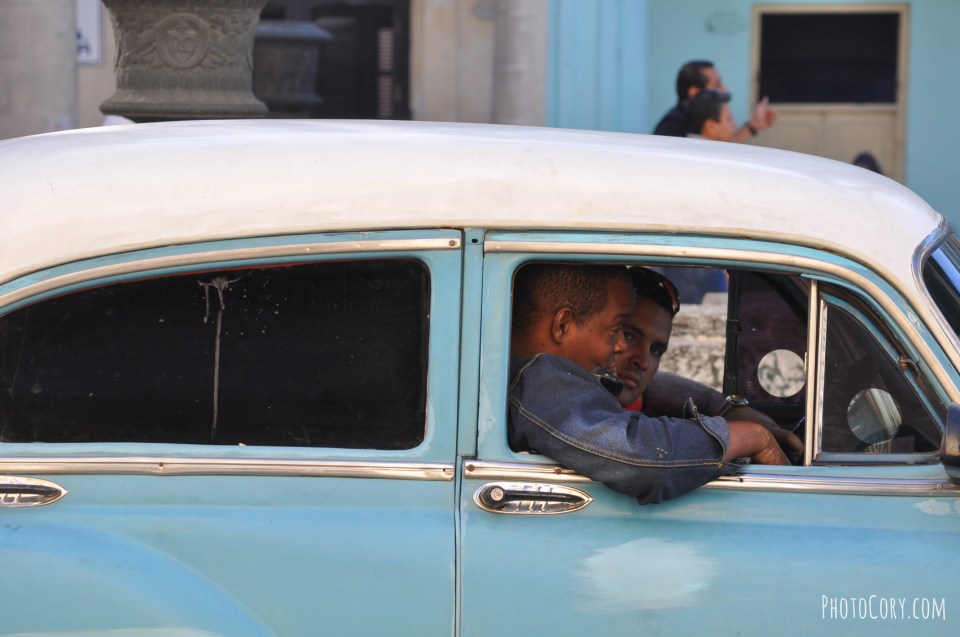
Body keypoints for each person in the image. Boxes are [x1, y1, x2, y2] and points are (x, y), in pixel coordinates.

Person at [508, 263, 789, 505]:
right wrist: (753, 437)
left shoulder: (526, 376)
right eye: (620, 331)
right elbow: (640, 456)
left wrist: (718, 405)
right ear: (563, 325)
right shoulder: (539, 379)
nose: (620, 348)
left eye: (656, 350)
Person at [616, 267, 804, 458]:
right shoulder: (589, 412)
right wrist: (754, 438)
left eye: (655, 350)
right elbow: (639, 448)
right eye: (629, 335)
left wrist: (723, 408)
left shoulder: (626, 390)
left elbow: (655, 388)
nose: (643, 362)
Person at [653, 60, 777, 143]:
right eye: (717, 84)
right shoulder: (670, 131)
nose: (724, 89)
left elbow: (724, 144)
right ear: (694, 91)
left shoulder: (695, 119)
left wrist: (754, 126)